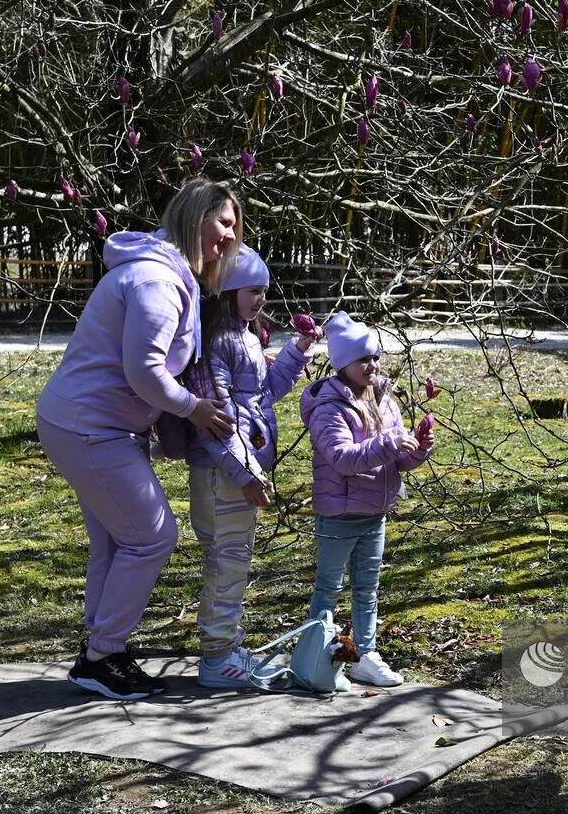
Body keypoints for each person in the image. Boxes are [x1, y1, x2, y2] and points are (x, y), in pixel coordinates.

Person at [36, 178, 241, 700]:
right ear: (196, 217)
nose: (230, 234)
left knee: (114, 538)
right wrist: (194, 409)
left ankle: (102, 649)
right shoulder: (157, 281)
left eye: (234, 226)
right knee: (151, 536)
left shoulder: (167, 275)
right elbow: (144, 370)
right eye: (224, 221)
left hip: (91, 424)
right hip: (89, 427)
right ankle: (102, 655)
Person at [184, 247, 318, 688]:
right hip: (224, 474)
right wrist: (247, 473)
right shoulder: (216, 342)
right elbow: (217, 420)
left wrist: (297, 352)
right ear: (227, 291)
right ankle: (217, 658)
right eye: (253, 291)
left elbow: (262, 396)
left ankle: (224, 646)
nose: (261, 299)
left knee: (229, 562)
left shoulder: (242, 336)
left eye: (264, 291)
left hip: (237, 472)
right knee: (227, 563)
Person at [299, 311, 435, 687]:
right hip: (340, 513)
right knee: (328, 586)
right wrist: (389, 443)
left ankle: (367, 655)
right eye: (363, 359)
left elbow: (398, 459)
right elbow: (342, 459)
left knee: (367, 587)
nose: (372, 365)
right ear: (343, 363)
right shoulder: (329, 408)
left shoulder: (384, 400)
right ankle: (315, 655)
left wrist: (417, 449)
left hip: (376, 511)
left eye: (375, 356)